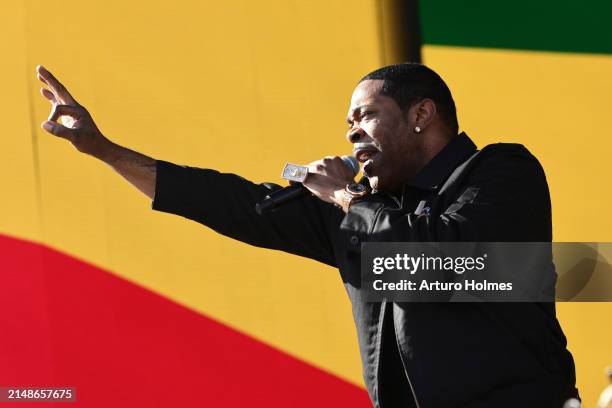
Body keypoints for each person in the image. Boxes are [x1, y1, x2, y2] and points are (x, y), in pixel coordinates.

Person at [36, 63, 579, 407]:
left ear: (422, 114)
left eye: (365, 116)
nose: (349, 132)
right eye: (348, 122)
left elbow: (440, 267)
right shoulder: (369, 209)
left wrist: (347, 198)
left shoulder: (502, 171)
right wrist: (106, 151)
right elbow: (239, 205)